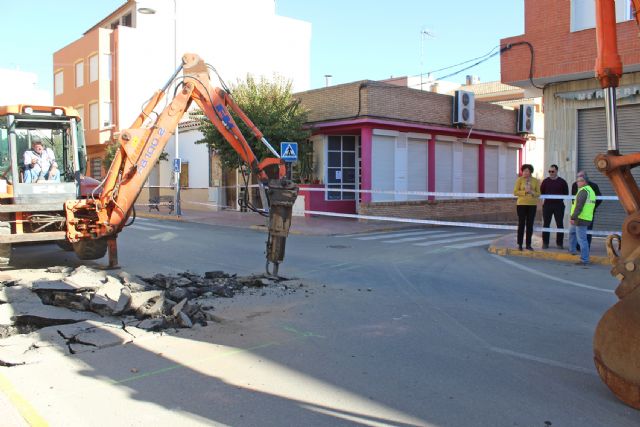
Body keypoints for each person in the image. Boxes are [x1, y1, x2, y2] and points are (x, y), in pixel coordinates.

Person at [540, 164, 569, 249]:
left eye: (552, 171)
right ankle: (545, 243)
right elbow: (541, 192)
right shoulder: (545, 181)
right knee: (546, 224)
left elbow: (566, 193)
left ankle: (559, 244)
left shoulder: (562, 182)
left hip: (559, 206)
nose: (551, 173)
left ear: (556, 171)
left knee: (559, 224)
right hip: (547, 205)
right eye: (549, 171)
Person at [569, 175, 596, 265]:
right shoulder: (590, 190)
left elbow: (579, 207)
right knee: (572, 232)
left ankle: (584, 259)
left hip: (580, 218)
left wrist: (573, 217)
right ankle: (572, 250)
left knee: (582, 240)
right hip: (584, 217)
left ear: (584, 182)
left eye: (579, 181)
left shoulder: (583, 191)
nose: (577, 183)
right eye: (577, 181)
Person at [571, 171, 601, 249]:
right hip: (577, 214)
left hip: (586, 214)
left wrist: (591, 208)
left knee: (585, 234)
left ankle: (585, 253)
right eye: (578, 177)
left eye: (580, 177)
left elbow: (598, 199)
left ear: (585, 179)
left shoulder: (593, 186)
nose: (578, 180)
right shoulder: (575, 185)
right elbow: (574, 200)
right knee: (575, 233)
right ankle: (575, 248)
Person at [513, 164, 540, 251]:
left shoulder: (535, 181)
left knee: (530, 224)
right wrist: (524, 192)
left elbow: (538, 193)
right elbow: (515, 192)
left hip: (532, 205)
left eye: (527, 171)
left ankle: (528, 244)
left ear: (530, 172)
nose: (525, 173)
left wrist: (532, 192)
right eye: (524, 171)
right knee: (521, 224)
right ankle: (520, 244)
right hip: (521, 204)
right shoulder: (519, 180)